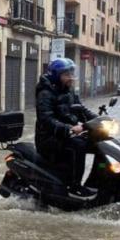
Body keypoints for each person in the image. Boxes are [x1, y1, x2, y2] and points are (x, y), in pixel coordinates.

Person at [35, 58, 97, 199]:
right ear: (57, 75)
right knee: (79, 145)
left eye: (71, 74)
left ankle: (98, 182)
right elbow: (46, 119)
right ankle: (74, 187)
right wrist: (69, 128)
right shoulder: (45, 93)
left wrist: (99, 119)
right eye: (66, 75)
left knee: (98, 142)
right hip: (49, 138)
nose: (71, 77)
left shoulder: (69, 91)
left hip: (66, 135)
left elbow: (81, 110)